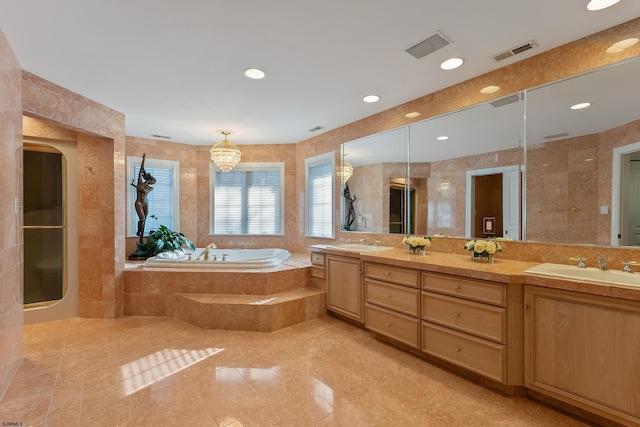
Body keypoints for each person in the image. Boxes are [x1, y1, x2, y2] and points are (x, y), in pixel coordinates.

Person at [131, 153, 156, 241]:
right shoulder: (140, 182)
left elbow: (144, 190)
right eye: (151, 180)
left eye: (151, 181)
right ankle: (139, 231)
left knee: (144, 219)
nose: (151, 182)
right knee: (142, 218)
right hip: (139, 202)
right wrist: (143, 159)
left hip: (146, 203)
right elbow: (141, 170)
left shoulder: (150, 187)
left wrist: (137, 186)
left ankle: (141, 237)